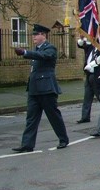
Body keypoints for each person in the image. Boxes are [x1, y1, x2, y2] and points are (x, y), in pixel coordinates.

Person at [12, 24, 69, 152]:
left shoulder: (50, 48)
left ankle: (63, 139)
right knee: (31, 118)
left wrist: (25, 52)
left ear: (43, 35)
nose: (33, 37)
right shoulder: (36, 50)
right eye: (33, 35)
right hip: (34, 89)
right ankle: (27, 144)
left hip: (47, 89)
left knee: (53, 116)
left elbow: (44, 56)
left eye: (36, 34)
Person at [76, 37, 100, 123]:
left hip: (96, 76)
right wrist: (81, 40)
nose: (90, 42)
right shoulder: (89, 48)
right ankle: (85, 117)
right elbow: (80, 45)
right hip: (88, 75)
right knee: (87, 96)